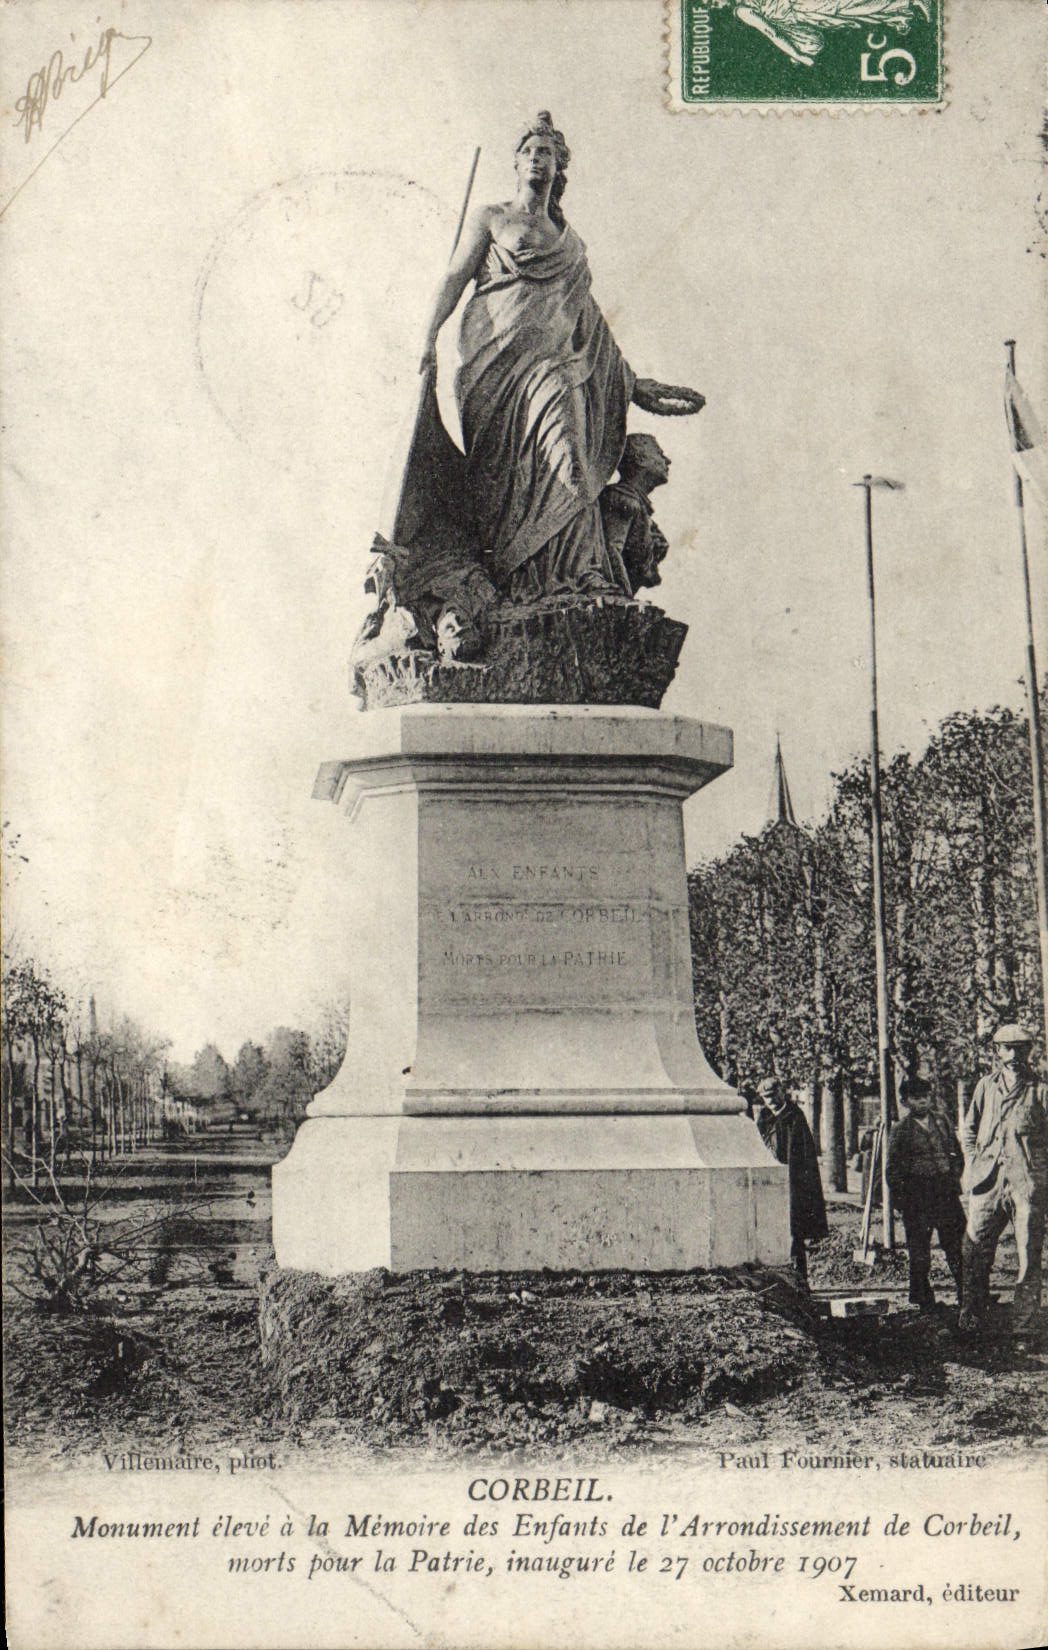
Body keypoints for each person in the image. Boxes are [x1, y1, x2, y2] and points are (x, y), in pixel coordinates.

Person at [418, 113, 703, 600]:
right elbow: (452, 279)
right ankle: (516, 578)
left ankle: (572, 574)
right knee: (503, 480)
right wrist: (427, 338)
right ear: (515, 162)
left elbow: (590, 325)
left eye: (546, 152)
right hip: (493, 367)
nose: (536, 158)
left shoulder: (570, 244)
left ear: (559, 165)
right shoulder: (491, 217)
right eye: (529, 151)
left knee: (568, 454)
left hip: (553, 367)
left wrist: (634, 384)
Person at [959, 1024, 1047, 1339]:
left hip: (1026, 1185)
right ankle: (972, 1322)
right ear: (996, 1052)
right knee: (974, 1250)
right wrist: (972, 1161)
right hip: (987, 1184)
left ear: (1029, 1052)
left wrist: (1040, 1174)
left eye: (1021, 1049)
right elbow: (969, 1128)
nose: (1013, 1056)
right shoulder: (985, 1086)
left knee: (1028, 1255)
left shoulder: (1040, 1090)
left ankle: (1024, 1328)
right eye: (1006, 1049)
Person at [885, 1075, 965, 1314]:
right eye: (916, 1098)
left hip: (945, 1193)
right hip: (917, 1196)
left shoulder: (942, 1122)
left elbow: (956, 1153)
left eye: (926, 1097)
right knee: (920, 1249)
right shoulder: (901, 1130)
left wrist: (953, 1175)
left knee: (957, 1244)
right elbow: (892, 1169)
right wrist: (902, 1200)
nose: (923, 1102)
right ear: (906, 1102)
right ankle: (923, 1298)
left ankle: (967, 1293)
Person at [756, 1076, 828, 1289]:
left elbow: (806, 1156)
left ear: (781, 1092)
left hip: (793, 1183)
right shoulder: (763, 1118)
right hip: (769, 1183)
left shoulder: (795, 1116)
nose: (770, 1101)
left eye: (772, 1096)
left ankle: (800, 1278)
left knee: (794, 1232)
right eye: (765, 1098)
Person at [710, 1, 930, 68]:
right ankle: (901, 10)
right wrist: (798, 55)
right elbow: (772, 33)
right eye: (713, 4)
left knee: (847, 8)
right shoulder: (742, 11)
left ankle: (903, 7)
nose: (717, 3)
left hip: (803, 5)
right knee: (847, 12)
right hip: (803, 11)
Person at [599, 434, 672, 596]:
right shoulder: (623, 499)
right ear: (640, 459)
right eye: (659, 454)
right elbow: (610, 553)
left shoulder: (635, 503)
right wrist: (624, 598)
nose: (667, 461)